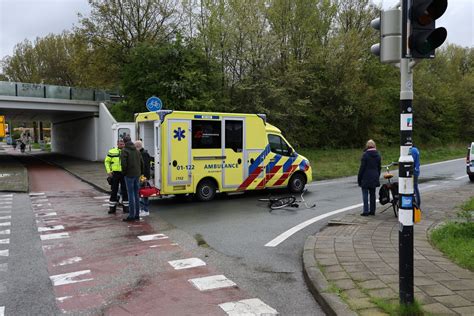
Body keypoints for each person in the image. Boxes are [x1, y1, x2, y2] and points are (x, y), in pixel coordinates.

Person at [121, 135, 144, 222]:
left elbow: (124, 164)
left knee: (130, 195)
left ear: (124, 142)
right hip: (137, 174)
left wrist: (124, 173)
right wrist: (140, 172)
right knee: (136, 194)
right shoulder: (137, 151)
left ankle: (131, 215)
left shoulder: (125, 151)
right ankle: (137, 215)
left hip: (129, 175)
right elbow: (142, 163)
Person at [357, 139, 382, 216]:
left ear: (367, 146)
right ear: (374, 146)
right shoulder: (378, 155)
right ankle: (372, 210)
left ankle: (365, 211)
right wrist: (377, 175)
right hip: (374, 176)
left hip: (365, 177)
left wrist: (359, 178)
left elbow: (362, 168)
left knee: (365, 194)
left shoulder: (365, 155)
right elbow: (379, 167)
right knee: (372, 194)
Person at [104, 139, 129, 214]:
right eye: (120, 144)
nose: (122, 145)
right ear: (117, 144)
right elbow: (107, 161)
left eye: (123, 144)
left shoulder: (127, 152)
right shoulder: (112, 151)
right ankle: (112, 208)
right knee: (114, 191)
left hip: (124, 173)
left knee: (125, 191)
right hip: (115, 174)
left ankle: (126, 208)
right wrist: (108, 171)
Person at [135, 140, 151, 217]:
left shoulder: (143, 154)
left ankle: (145, 210)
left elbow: (146, 167)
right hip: (142, 176)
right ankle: (143, 209)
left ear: (137, 147)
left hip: (143, 177)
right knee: (142, 193)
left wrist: (145, 177)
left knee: (143, 194)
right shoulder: (142, 153)